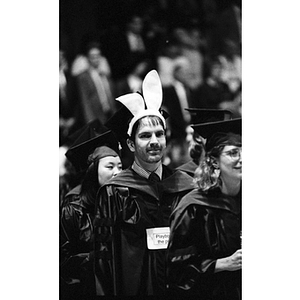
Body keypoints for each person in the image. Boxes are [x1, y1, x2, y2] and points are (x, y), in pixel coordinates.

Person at [93, 70, 195, 296]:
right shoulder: (115, 193)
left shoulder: (184, 187)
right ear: (130, 144)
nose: (154, 142)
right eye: (145, 135)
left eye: (159, 134)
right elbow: (103, 262)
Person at [167, 117, 242, 299]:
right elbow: (176, 271)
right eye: (233, 153)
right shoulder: (193, 207)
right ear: (214, 162)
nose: (243, 159)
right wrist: (221, 264)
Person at [60, 128, 122, 300]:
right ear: (93, 171)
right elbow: (63, 263)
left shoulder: (125, 204)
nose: (117, 172)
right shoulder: (72, 210)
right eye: (110, 167)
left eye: (120, 167)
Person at [176, 108, 232, 177]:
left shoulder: (231, 171)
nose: (220, 139)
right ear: (197, 137)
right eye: (214, 134)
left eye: (223, 134)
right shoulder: (183, 175)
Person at [76, 41, 116, 125]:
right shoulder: (84, 76)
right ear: (88, 58)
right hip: (96, 115)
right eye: (93, 57)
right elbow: (85, 100)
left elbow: (111, 94)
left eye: (98, 56)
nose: (96, 59)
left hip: (109, 112)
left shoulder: (104, 73)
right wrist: (90, 120)